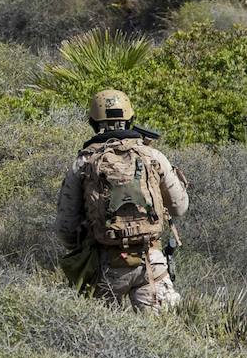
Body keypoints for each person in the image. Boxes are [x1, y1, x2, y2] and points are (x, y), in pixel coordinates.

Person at [56, 89, 189, 312]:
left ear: (92, 121)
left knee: (100, 338)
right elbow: (179, 207)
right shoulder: (152, 156)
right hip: (151, 261)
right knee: (164, 334)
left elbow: (65, 227)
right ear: (131, 119)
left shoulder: (83, 162)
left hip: (104, 264)